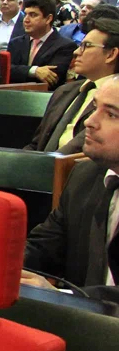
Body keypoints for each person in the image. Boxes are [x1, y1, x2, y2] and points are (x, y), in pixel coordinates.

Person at [22, 78, 119, 290]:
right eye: (95, 107)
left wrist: (65, 298)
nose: (89, 122)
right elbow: (43, 247)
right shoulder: (84, 175)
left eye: (111, 114)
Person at [25, 18, 119, 154]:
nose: (76, 52)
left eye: (86, 46)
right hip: (41, 165)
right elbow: (36, 144)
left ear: (111, 54)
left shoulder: (114, 100)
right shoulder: (64, 91)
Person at [9, 0, 76, 89]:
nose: (26, 20)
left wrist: (20, 72)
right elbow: (6, 70)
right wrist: (34, 71)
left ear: (48, 19)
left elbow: (52, 78)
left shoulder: (65, 46)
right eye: (25, 14)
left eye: (33, 15)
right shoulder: (15, 43)